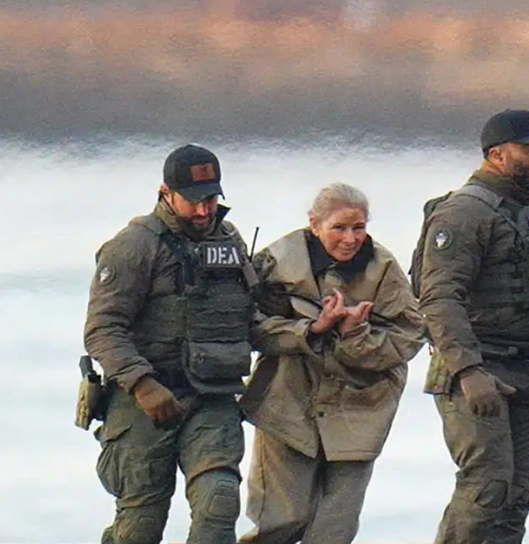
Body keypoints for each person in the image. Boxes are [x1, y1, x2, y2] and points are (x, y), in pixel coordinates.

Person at [413, 108, 529, 544]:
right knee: (486, 488)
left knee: (514, 497)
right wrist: (469, 371)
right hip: (482, 369)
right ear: (496, 155)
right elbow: (439, 297)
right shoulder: (465, 212)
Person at [83, 144, 256, 544]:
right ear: (166, 193)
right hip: (143, 402)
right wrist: (143, 385)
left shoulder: (229, 241)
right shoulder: (134, 246)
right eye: (194, 201)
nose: (204, 211)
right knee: (140, 526)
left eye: (212, 199)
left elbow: (249, 316)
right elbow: (102, 329)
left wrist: (310, 330)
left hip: (212, 395)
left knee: (220, 500)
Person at [238, 183, 426, 544]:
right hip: (288, 405)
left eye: (359, 228)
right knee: (280, 523)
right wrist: (312, 329)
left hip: (360, 410)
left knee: (334, 531)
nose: (350, 238)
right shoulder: (276, 261)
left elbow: (409, 334)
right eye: (338, 227)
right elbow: (249, 326)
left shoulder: (384, 269)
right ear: (314, 224)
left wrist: (355, 334)